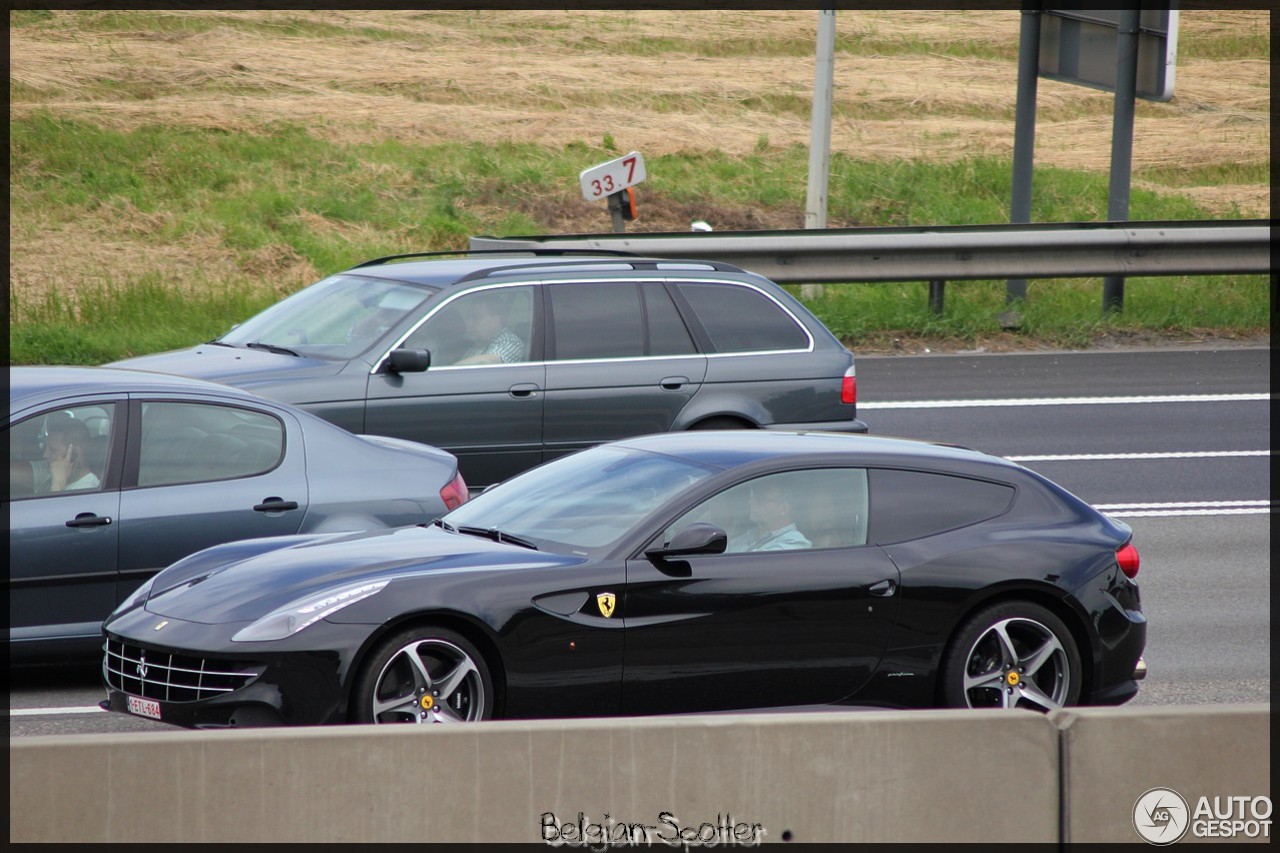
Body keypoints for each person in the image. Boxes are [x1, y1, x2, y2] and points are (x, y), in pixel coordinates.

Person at [744, 479, 811, 551]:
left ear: (783, 509)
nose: (750, 501)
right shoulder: (746, 536)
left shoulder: (795, 543)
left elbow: (754, 561)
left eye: (760, 498)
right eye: (752, 495)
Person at [456, 298, 525, 365]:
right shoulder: (479, 344)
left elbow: (485, 362)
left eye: (476, 317)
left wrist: (452, 368)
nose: (469, 323)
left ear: (495, 321)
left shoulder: (510, 341)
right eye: (469, 317)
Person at [42, 416, 100, 492]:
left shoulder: (88, 490)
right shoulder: (55, 476)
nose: (45, 455)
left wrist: (58, 485)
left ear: (74, 454)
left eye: (53, 450)